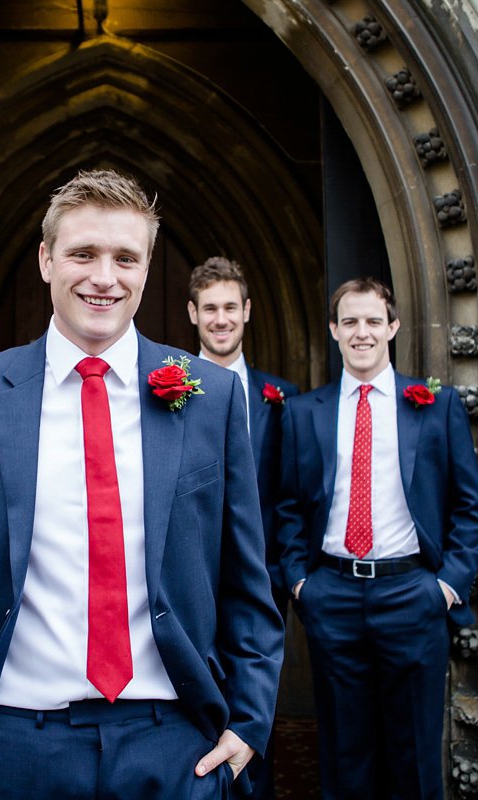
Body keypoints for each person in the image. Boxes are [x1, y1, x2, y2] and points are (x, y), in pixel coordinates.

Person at [0, 169, 284, 799]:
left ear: (147, 267)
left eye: (125, 257)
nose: (104, 277)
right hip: (7, 741)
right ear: (46, 259)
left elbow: (245, 578)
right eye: (83, 254)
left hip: (174, 740)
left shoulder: (210, 397)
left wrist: (249, 722)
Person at [275, 277, 478, 800]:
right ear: (334, 330)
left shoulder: (433, 406)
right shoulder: (305, 413)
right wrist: (303, 584)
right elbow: (286, 509)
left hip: (411, 595)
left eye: (373, 321)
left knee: (414, 754)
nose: (362, 332)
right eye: (350, 322)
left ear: (392, 327)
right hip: (334, 597)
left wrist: (445, 587)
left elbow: (470, 508)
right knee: (345, 753)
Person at [188, 257, 299, 800]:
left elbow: (299, 493)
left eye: (230, 307)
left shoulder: (284, 399)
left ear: (248, 312)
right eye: (210, 308)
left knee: (258, 714)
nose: (221, 318)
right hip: (193, 586)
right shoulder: (170, 388)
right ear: (193, 314)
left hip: (267, 584)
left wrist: (292, 577)